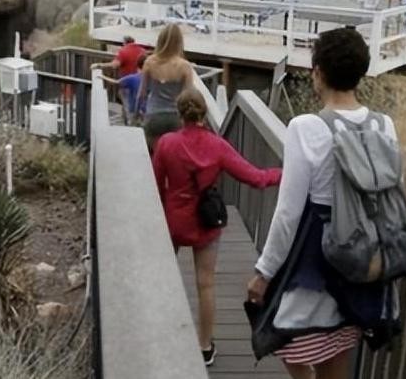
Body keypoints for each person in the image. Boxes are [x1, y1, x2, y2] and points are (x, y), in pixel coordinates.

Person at [246, 28, 398, 379]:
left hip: (316, 260)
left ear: (318, 72)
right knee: (337, 351)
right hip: (363, 261)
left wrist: (264, 272)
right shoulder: (384, 124)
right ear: (361, 73)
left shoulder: (306, 127)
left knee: (285, 333)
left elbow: (288, 212)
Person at [152, 90, 282, 367]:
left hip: (173, 221)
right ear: (203, 113)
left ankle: (159, 332)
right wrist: (284, 174)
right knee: (206, 284)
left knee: (163, 278)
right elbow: (256, 178)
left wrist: (162, 213)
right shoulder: (218, 146)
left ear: (180, 113)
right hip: (205, 221)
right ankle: (204, 346)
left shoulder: (166, 143)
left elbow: (156, 184)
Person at [138, 24, 195, 154]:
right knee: (173, 155)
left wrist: (137, 114)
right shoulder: (185, 66)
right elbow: (189, 97)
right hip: (175, 117)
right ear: (179, 43)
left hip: (153, 116)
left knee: (153, 154)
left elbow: (142, 94)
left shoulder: (149, 62)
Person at [100, 54, 146, 125]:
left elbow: (116, 82)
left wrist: (102, 77)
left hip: (133, 109)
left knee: (133, 126)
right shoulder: (152, 78)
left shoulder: (132, 78)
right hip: (146, 111)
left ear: (137, 65)